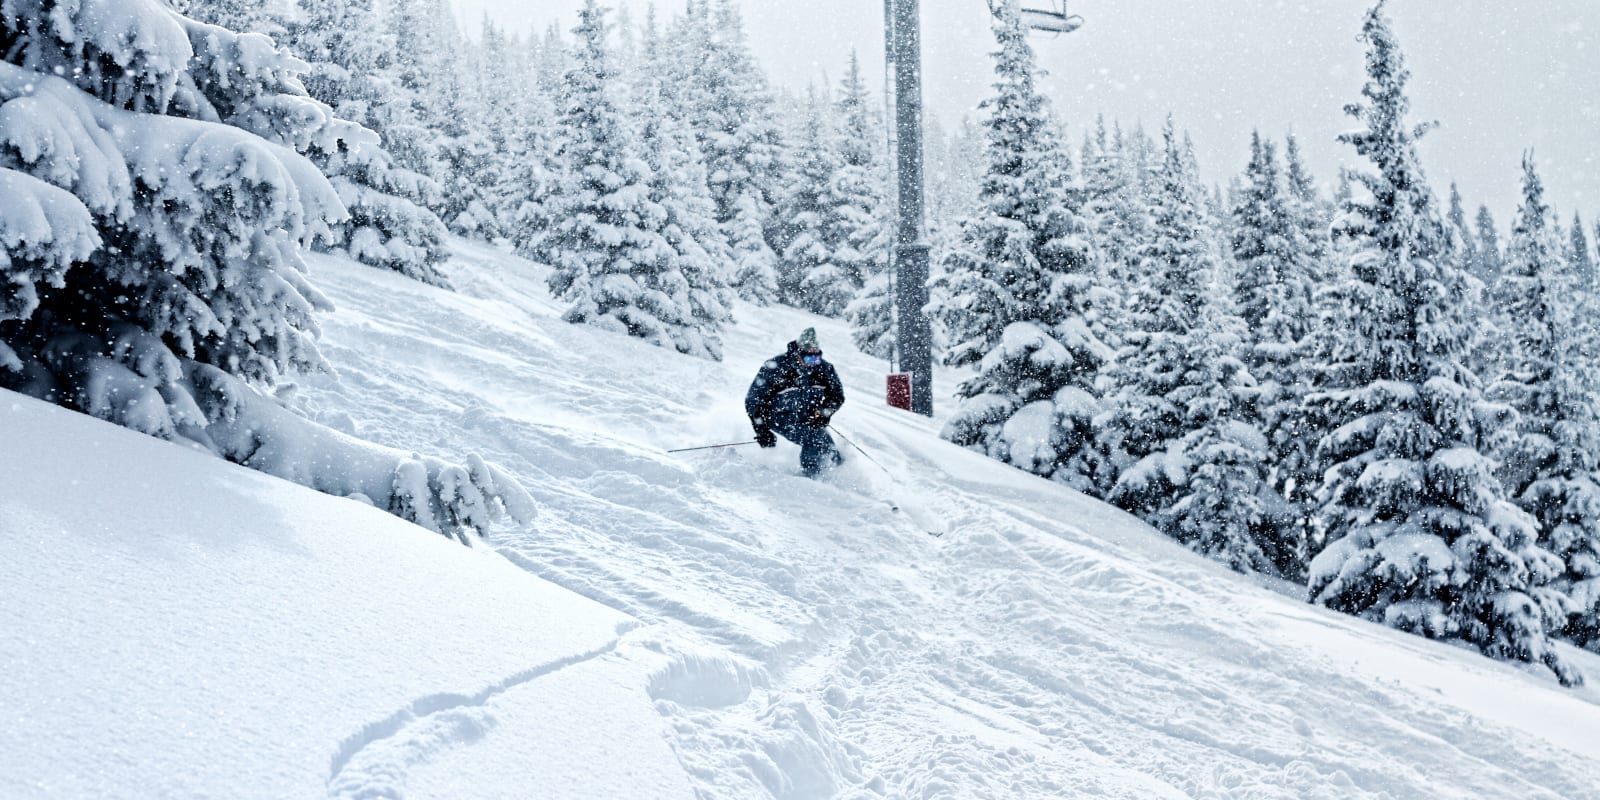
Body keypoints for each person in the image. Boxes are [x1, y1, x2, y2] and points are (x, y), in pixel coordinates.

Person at [745, 327, 846, 477]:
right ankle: (812, 479)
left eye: (816, 358)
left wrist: (825, 413)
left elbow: (836, 396)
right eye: (809, 358)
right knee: (814, 440)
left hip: (809, 417)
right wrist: (762, 430)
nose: (813, 363)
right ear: (798, 352)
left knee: (830, 449)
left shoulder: (824, 369)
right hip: (779, 417)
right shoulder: (776, 367)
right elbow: (753, 400)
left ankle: (841, 477)